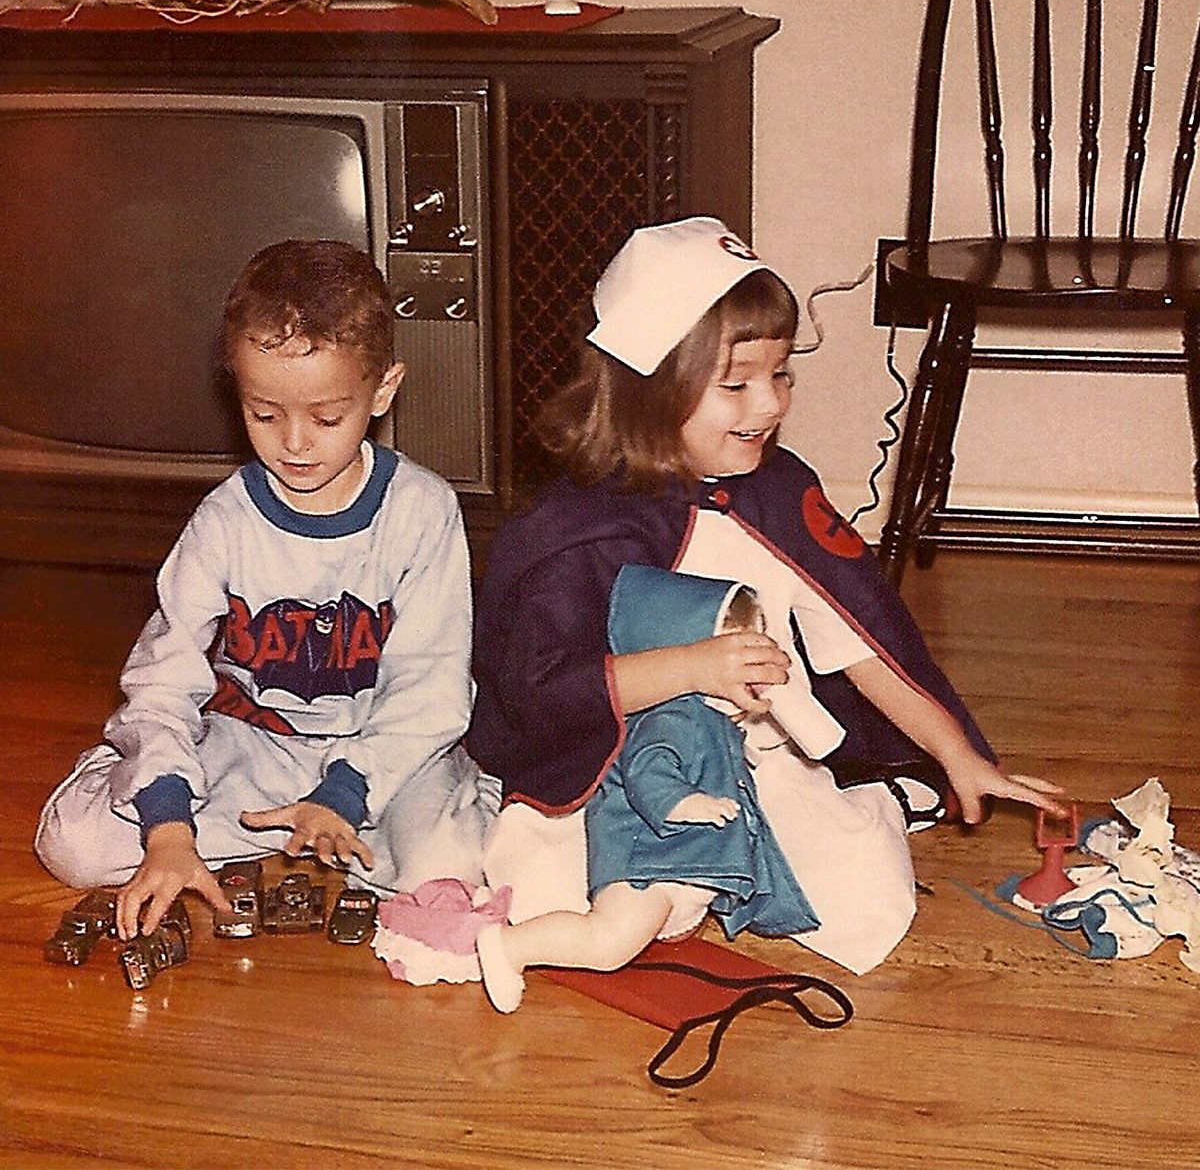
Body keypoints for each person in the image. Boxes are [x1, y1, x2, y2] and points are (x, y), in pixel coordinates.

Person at [466, 216, 1066, 975]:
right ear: (648, 388)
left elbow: (863, 636)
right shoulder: (576, 528)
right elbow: (543, 691)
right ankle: (681, 880)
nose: (771, 404)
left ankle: (849, 815)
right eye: (737, 384)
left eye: (780, 374)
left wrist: (958, 753)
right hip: (608, 767)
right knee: (538, 902)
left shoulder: (779, 494)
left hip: (756, 760)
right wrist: (694, 666)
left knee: (867, 907)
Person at [35, 239, 498, 941]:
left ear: (382, 391)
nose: (294, 443)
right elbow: (165, 679)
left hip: (381, 752)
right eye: (265, 414)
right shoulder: (224, 521)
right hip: (250, 744)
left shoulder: (423, 510)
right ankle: (174, 793)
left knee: (452, 867)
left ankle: (334, 823)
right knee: (76, 846)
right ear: (238, 393)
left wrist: (346, 790)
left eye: (327, 417)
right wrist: (165, 826)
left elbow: (430, 685)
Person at [476, 564, 817, 1012]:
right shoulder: (672, 716)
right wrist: (683, 801)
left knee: (660, 919)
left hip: (675, 856)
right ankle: (511, 946)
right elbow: (647, 768)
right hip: (647, 853)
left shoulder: (709, 715)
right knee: (610, 942)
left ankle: (667, 917)